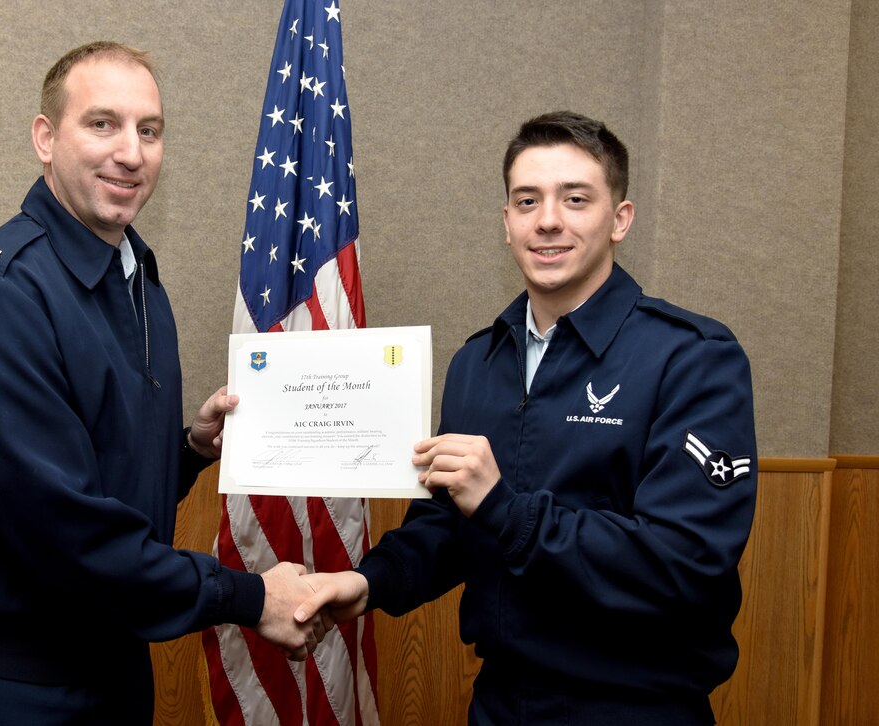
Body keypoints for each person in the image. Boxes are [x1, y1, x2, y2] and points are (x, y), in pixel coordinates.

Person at [0, 41, 323, 725]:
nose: (130, 152)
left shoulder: (137, 281)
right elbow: (67, 533)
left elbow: (97, 474)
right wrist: (250, 598)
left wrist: (189, 449)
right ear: (45, 138)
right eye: (102, 124)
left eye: (149, 131)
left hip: (111, 675)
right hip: (3, 689)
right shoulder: (0, 298)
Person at [297, 111, 757, 725]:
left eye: (576, 199)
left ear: (620, 219)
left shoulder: (691, 358)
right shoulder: (477, 362)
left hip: (633, 707)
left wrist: (506, 509)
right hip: (499, 701)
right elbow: (449, 524)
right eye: (527, 200)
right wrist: (369, 582)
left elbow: (684, 562)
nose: (547, 220)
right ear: (507, 223)